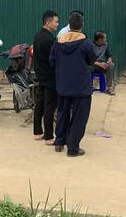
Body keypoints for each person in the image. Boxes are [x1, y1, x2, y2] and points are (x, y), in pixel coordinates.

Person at [50, 12, 96, 157]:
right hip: (81, 87)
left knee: (62, 114)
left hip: (63, 86)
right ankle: (73, 148)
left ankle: (59, 142)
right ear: (82, 25)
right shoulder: (86, 43)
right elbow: (92, 60)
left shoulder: (58, 42)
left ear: (69, 25)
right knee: (79, 117)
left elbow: (52, 61)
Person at [32, 10, 59, 144]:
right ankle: (48, 137)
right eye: (56, 21)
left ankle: (38, 132)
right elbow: (54, 60)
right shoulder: (49, 39)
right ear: (48, 22)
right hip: (49, 77)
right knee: (49, 107)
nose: (57, 24)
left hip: (41, 75)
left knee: (40, 104)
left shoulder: (38, 36)